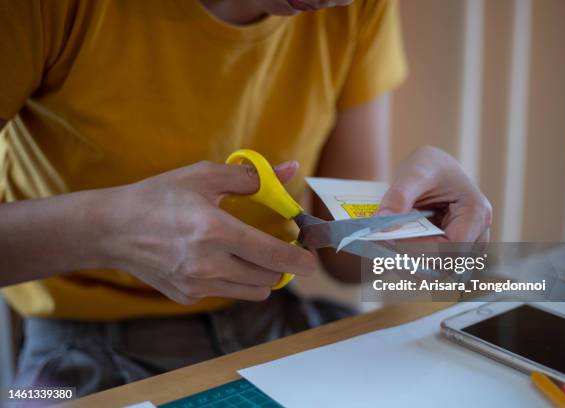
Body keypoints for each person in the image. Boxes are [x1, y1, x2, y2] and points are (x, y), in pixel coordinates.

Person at [0, 0, 491, 397]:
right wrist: (108, 228)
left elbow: (345, 262)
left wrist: (424, 231)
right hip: (70, 359)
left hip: (275, 321)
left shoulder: (358, 8)